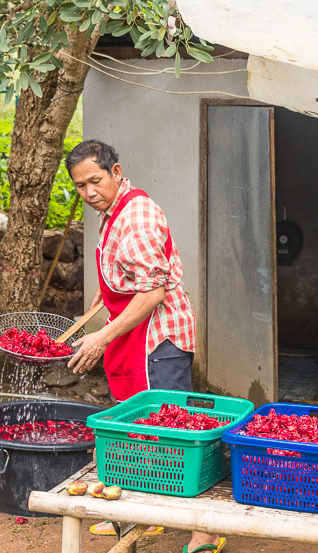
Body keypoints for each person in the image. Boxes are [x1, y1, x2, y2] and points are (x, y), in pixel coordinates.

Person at [65, 140, 226, 553]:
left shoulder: (135, 215)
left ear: (116, 171)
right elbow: (130, 276)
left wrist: (102, 336)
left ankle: (206, 531)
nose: (89, 192)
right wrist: (103, 300)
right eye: (81, 186)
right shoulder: (112, 211)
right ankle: (145, 514)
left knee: (175, 434)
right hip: (138, 336)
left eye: (95, 181)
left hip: (159, 339)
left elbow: (153, 291)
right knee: (140, 430)